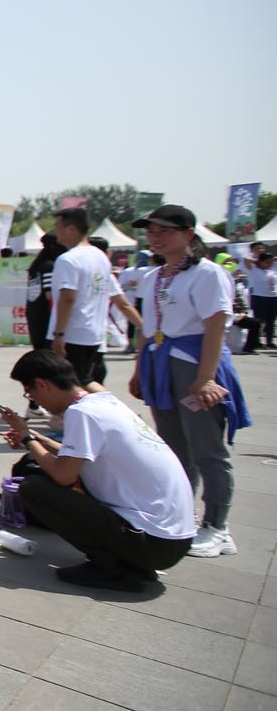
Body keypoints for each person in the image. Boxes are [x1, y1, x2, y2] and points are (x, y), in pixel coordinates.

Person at [0, 350, 194, 592]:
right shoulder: (102, 402)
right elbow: (82, 454)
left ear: (42, 384)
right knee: (36, 466)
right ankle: (128, 562)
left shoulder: (82, 413)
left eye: (30, 393)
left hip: (153, 542)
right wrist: (37, 438)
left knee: (34, 488)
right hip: (172, 537)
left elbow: (63, 474)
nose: (36, 400)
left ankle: (113, 568)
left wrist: (27, 438)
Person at [128, 205, 251, 559]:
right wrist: (140, 371)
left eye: (165, 230)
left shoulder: (208, 274)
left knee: (207, 450)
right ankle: (182, 514)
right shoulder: (153, 276)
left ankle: (217, 526)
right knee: (174, 448)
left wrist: (206, 377)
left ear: (188, 234)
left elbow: (215, 326)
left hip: (193, 367)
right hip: (160, 364)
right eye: (151, 230)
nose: (155, 236)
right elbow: (146, 330)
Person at [47, 207, 143, 387]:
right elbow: (121, 301)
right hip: (95, 335)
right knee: (84, 382)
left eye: (57, 227)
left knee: (73, 386)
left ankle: (114, 411)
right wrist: (144, 326)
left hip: (73, 334)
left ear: (71, 229)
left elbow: (67, 298)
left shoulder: (68, 260)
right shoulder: (101, 258)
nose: (55, 232)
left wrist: (59, 334)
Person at [244, 253, 276, 350]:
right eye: (267, 262)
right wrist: (257, 261)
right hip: (259, 297)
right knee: (259, 321)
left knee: (271, 321)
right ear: (260, 261)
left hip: (273, 297)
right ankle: (257, 341)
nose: (269, 264)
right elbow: (246, 259)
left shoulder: (273, 268)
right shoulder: (254, 269)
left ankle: (269, 342)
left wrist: (272, 259)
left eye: (271, 262)